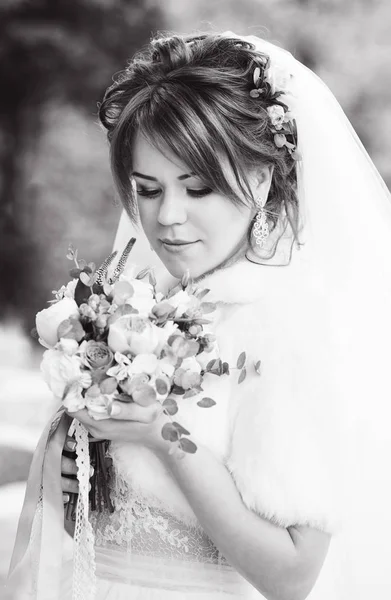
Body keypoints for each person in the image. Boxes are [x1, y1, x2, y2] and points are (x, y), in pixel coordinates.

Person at [9, 31, 391, 600]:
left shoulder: (288, 329)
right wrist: (76, 472)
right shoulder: (137, 307)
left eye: (198, 188)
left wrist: (166, 437)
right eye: (148, 188)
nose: (168, 216)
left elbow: (291, 576)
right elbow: (109, 526)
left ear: (260, 181)